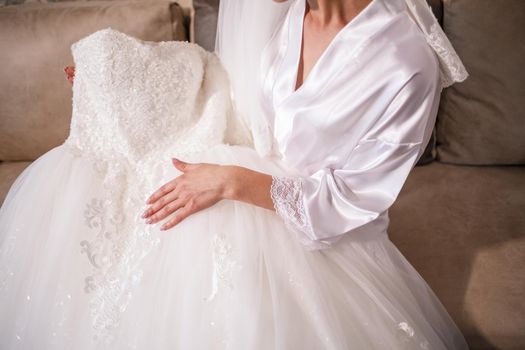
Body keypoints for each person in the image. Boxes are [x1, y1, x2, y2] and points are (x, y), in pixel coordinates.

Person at [0, 0, 470, 349]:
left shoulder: (405, 61)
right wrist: (115, 85)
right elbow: (221, 87)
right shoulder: (284, 17)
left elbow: (353, 199)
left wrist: (231, 182)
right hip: (238, 181)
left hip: (322, 234)